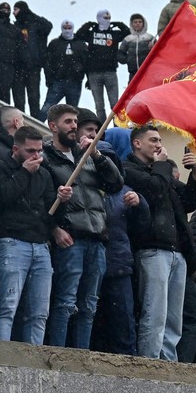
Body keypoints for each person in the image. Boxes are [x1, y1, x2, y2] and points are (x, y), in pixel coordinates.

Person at [44, 106, 126, 349]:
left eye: (75, 122)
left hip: (97, 239)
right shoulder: (46, 156)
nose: (73, 126)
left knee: (89, 305)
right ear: (53, 126)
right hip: (71, 239)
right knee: (65, 302)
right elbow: (38, 200)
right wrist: (54, 229)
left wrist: (98, 156)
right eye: (68, 121)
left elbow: (115, 183)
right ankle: (58, 352)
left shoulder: (86, 155)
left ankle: (81, 355)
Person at [122, 127, 196, 361]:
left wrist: (195, 172)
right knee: (154, 313)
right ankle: (149, 364)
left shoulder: (160, 171)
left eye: (160, 140)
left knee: (173, 319)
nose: (159, 144)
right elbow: (154, 190)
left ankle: (168, 365)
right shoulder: (128, 169)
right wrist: (162, 165)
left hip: (176, 252)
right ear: (137, 143)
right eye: (153, 140)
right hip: (151, 249)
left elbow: (189, 201)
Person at [0, 127, 58, 345]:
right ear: (16, 149)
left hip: (40, 245)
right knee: (7, 305)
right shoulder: (0, 167)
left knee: (39, 312)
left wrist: (61, 201)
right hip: (11, 241)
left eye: (39, 151)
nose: (36, 156)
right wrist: (24, 173)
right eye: (30, 151)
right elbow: (1, 199)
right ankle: (2, 354)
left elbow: (50, 215)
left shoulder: (45, 174)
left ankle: (34, 358)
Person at [74, 9, 129, 114]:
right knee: (99, 105)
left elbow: (128, 34)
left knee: (115, 104)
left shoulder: (114, 34)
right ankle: (101, 129)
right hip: (94, 73)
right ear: (99, 18)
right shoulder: (91, 33)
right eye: (105, 18)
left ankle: (116, 127)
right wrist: (88, 25)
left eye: (109, 18)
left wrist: (120, 24)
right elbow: (79, 35)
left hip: (110, 72)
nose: (107, 20)